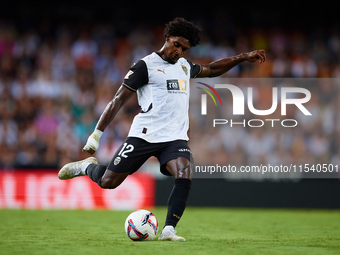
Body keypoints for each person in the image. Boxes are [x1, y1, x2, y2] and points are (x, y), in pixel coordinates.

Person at [58, 17, 266, 241]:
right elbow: (117, 100)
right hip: (143, 136)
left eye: (184, 49)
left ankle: (169, 229)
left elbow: (213, 68)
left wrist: (243, 57)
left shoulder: (184, 66)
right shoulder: (145, 66)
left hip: (174, 139)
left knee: (185, 171)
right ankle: (88, 167)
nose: (179, 51)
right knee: (109, 182)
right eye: (176, 45)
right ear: (167, 38)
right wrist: (96, 135)